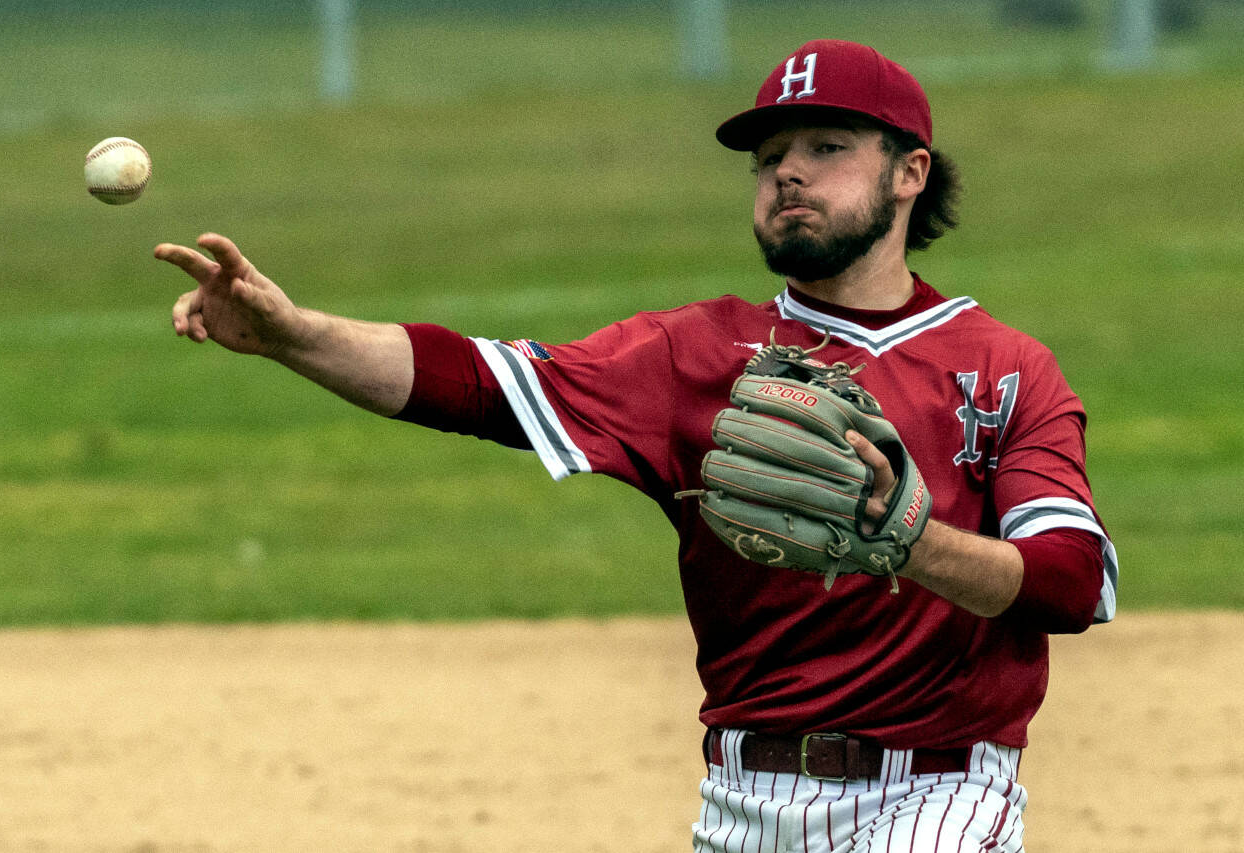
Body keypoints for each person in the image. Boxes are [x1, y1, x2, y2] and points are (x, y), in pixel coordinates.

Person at [155, 38, 1116, 853]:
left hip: (941, 797)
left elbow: (1075, 582)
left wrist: (916, 544)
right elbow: (477, 382)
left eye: (827, 147)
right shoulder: (692, 352)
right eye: (769, 154)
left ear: (911, 172)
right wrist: (292, 334)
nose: (788, 171)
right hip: (742, 804)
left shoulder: (1002, 369)